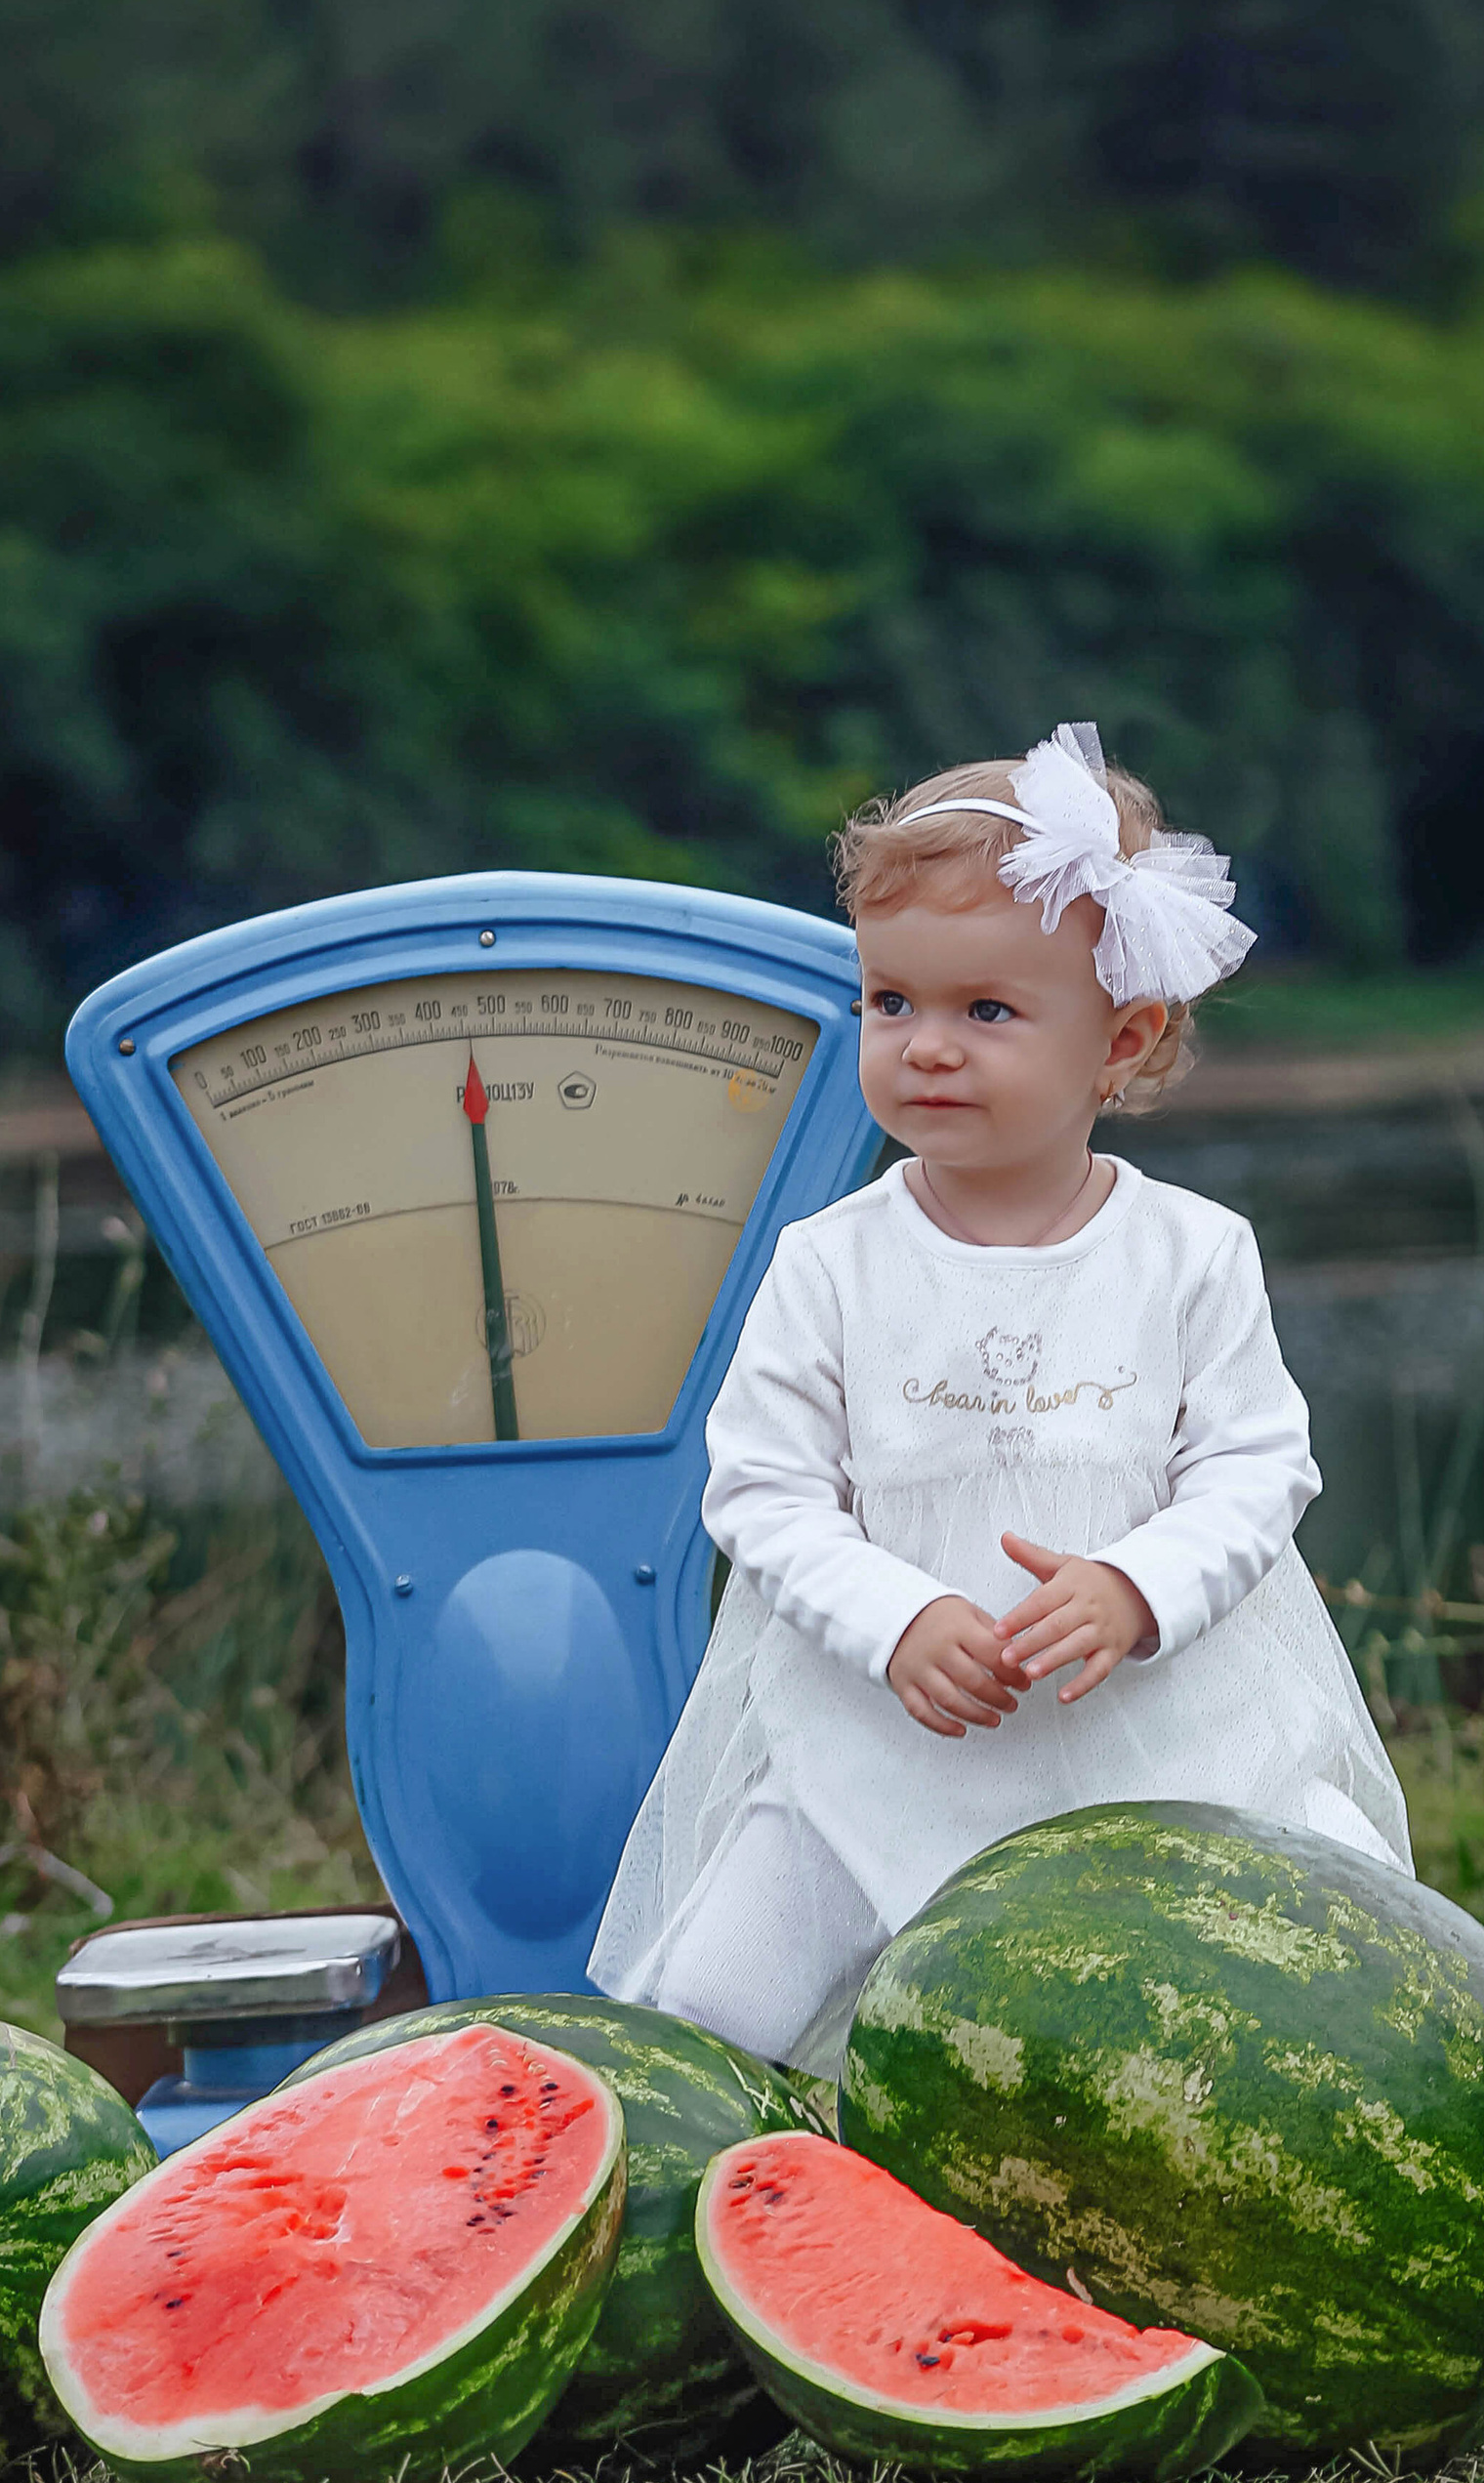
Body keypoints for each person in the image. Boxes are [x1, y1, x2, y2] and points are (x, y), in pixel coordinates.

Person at [588, 721, 1412, 2071]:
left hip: (1162, 1730)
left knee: (1361, 1929)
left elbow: (1259, 1466)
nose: (925, 1047)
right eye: (890, 1003)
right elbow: (762, 1488)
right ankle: (714, 2163)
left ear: (1121, 1041)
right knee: (710, 2001)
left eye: (986, 1012)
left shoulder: (1191, 1253)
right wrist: (898, 1618)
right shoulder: (829, 1262)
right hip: (884, 1737)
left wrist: (1138, 1585)